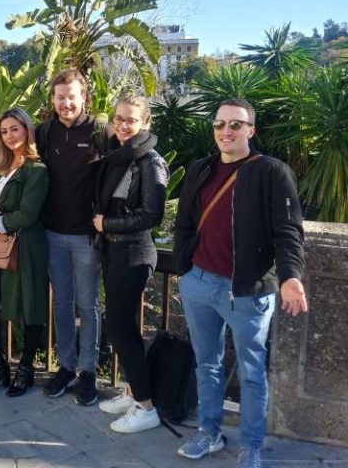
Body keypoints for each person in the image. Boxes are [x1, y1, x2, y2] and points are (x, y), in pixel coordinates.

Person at [173, 99, 308, 468]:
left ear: (251, 130)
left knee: (251, 373)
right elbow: (184, 223)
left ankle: (251, 444)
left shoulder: (271, 172)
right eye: (219, 124)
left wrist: (291, 276)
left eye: (235, 125)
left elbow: (288, 231)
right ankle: (209, 432)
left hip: (247, 291)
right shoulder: (200, 169)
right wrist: (186, 265)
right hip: (198, 283)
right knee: (207, 365)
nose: (226, 131)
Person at [93, 94, 168, 434]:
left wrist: (106, 225)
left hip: (133, 252)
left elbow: (152, 215)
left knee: (119, 330)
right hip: (114, 251)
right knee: (123, 329)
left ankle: (147, 407)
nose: (123, 125)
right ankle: (133, 391)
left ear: (145, 123)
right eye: (119, 118)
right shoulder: (118, 155)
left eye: (131, 120)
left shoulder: (149, 161)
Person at [36, 68, 111, 405]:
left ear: (84, 97)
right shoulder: (44, 132)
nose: (66, 103)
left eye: (72, 96)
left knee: (88, 304)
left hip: (86, 237)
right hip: (52, 233)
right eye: (60, 96)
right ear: (52, 99)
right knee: (61, 303)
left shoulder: (99, 132)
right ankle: (65, 366)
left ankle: (88, 372)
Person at [0, 108, 49, 398]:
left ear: (27, 129)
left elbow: (27, 214)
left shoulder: (37, 170)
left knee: (30, 307)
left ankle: (26, 368)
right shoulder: (1, 169)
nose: (9, 136)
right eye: (4, 131)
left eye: (14, 129)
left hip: (25, 245)